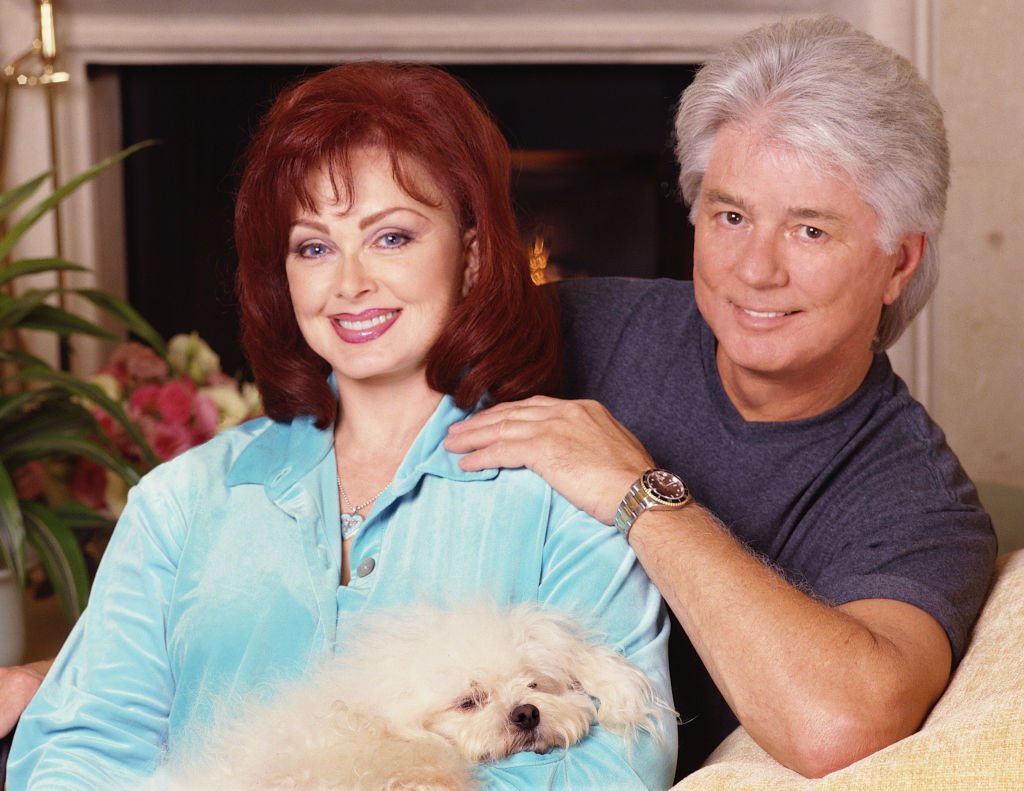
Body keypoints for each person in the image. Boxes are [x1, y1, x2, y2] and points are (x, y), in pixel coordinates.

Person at [7, 63, 674, 789]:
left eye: (391, 237)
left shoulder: (563, 492)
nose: (349, 280)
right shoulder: (181, 499)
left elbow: (620, 760)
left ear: (474, 255)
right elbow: (82, 746)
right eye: (314, 246)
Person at [445, 15, 997, 780]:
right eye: (731, 216)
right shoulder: (576, 324)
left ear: (898, 262)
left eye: (809, 230)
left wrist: (638, 494)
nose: (755, 270)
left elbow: (837, 726)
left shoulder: (918, 504)